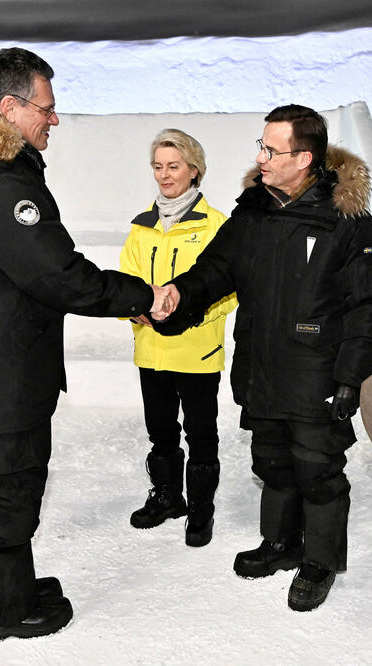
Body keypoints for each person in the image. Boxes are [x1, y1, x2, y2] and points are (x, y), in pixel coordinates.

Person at [0, 47, 170, 642]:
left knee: (6, 491)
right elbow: (56, 274)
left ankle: (8, 587)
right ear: (9, 107)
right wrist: (142, 296)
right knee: (7, 495)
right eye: (46, 109)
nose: (54, 120)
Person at [155, 105, 372, 612]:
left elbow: (369, 305)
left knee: (317, 467)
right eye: (260, 146)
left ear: (304, 158)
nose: (260, 158)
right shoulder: (253, 212)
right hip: (261, 366)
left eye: (271, 149)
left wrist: (352, 376)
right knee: (272, 460)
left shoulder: (346, 222)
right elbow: (216, 269)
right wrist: (178, 294)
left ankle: (320, 560)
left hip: (316, 371)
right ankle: (282, 543)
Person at [119, 129, 236, 547]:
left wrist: (191, 316)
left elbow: (231, 290)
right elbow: (127, 280)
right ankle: (168, 497)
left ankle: (201, 511)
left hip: (196, 352)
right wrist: (133, 311)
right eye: (158, 166)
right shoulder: (141, 226)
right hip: (150, 349)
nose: (164, 175)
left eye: (173, 166)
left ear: (194, 170)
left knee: (201, 435)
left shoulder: (218, 225)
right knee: (160, 432)